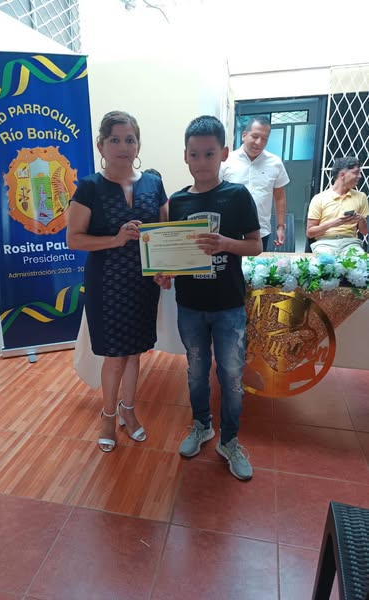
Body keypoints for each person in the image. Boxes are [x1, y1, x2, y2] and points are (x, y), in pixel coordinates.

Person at [162, 115, 262, 480]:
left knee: (232, 377)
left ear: (223, 153)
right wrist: (164, 271)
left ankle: (230, 440)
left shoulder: (237, 195)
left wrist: (225, 244)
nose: (201, 161)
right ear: (185, 156)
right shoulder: (176, 202)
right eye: (194, 154)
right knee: (196, 372)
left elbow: (255, 245)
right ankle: (202, 425)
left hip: (229, 306)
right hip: (190, 305)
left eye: (208, 153)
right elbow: (173, 253)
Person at [67, 110, 168, 452]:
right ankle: (108, 416)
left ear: (138, 145)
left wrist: (165, 268)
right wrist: (116, 239)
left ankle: (129, 410)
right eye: (115, 140)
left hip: (143, 284)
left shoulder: (153, 184)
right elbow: (74, 239)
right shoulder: (89, 187)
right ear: (101, 145)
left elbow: (165, 234)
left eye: (130, 139)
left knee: (135, 352)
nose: (123, 146)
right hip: (107, 284)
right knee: (114, 356)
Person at [221, 116, 290, 250]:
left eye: (264, 139)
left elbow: (280, 196)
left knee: (256, 263)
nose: (259, 142)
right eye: (255, 136)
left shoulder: (275, 163)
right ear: (244, 135)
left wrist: (281, 227)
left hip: (260, 231)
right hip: (229, 230)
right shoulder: (226, 161)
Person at [306, 156, 368, 254]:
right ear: (342, 175)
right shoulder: (319, 198)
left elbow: (364, 231)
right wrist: (336, 222)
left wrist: (361, 219)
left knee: (358, 260)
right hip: (324, 243)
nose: (360, 176)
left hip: (350, 243)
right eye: (356, 173)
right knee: (326, 261)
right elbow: (310, 233)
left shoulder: (361, 197)